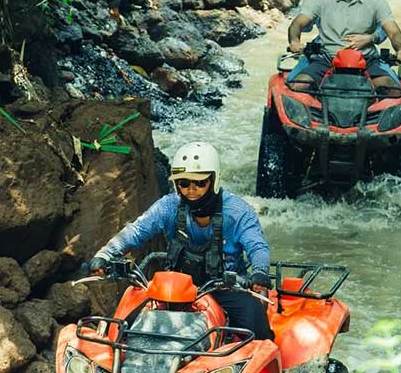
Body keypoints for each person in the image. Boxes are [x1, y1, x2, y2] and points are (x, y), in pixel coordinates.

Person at [89, 142, 274, 340]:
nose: (191, 190)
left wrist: (260, 272)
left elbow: (257, 246)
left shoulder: (238, 211)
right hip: (174, 288)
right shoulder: (168, 206)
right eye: (184, 183)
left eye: (199, 183)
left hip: (227, 287)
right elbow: (137, 230)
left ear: (214, 180)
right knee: (124, 331)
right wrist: (105, 254)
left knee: (258, 331)